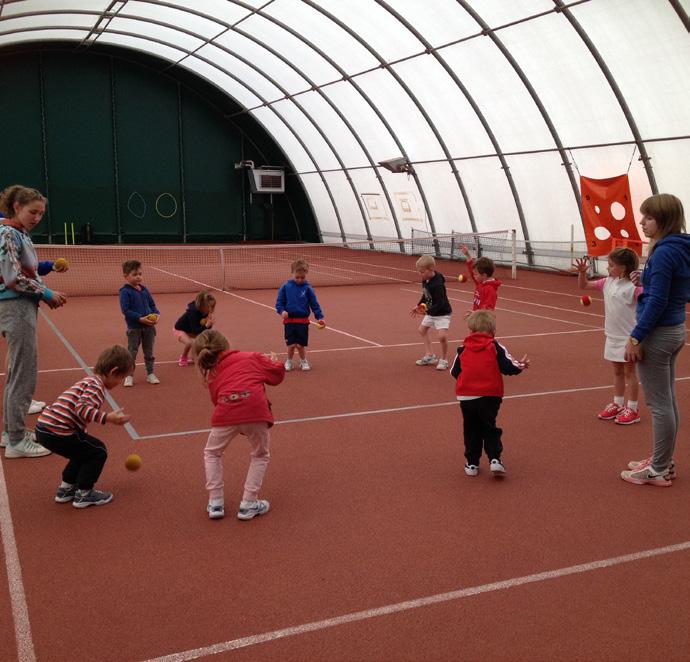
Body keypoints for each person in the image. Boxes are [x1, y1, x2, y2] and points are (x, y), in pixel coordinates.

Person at [620, 193, 689, 487]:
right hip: (675, 329)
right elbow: (675, 290)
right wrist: (646, 280)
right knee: (668, 401)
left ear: (663, 219)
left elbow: (658, 300)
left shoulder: (662, 252)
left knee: (660, 404)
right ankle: (663, 460)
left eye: (648, 217)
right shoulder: (682, 247)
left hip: (657, 333)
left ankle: (659, 468)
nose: (642, 222)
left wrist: (636, 337)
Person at [0, 185, 67, 458]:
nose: (37, 217)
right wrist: (47, 293)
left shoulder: (19, 234)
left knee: (18, 369)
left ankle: (10, 432)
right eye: (33, 211)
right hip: (15, 306)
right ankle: (16, 441)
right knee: (24, 372)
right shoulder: (7, 233)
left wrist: (46, 269)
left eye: (41, 213)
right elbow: (13, 278)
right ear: (16, 206)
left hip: (23, 305)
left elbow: (25, 267)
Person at [193, 329, 285, 520]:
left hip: (226, 412)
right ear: (226, 344)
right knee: (260, 454)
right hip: (256, 411)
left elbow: (216, 398)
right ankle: (249, 503)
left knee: (212, 453)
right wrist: (275, 361)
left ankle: (215, 502)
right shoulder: (251, 357)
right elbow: (277, 376)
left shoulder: (211, 373)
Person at [35, 346, 133, 508]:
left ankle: (66, 489)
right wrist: (108, 418)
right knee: (98, 451)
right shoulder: (97, 388)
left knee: (82, 451)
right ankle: (85, 493)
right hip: (59, 431)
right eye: (121, 378)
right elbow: (81, 409)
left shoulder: (88, 380)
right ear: (113, 371)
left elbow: (75, 412)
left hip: (44, 428)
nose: (120, 382)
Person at [450, 310, 529, 477]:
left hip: (467, 396)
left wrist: (468, 381)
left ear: (470, 330)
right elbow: (509, 366)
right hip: (490, 394)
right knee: (488, 425)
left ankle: (472, 463)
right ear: (493, 332)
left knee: (471, 428)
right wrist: (521, 366)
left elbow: (454, 372)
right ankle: (495, 459)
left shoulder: (462, 349)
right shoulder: (495, 346)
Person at [573, 248, 642, 425]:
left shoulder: (635, 287)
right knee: (617, 371)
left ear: (624, 268)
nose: (607, 268)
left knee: (630, 373)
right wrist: (582, 273)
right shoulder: (607, 282)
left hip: (629, 338)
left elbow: (649, 303)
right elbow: (584, 286)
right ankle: (617, 403)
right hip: (612, 335)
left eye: (611, 265)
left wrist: (639, 337)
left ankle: (633, 408)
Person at [275, 259, 325, 372]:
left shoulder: (308, 288)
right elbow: (279, 303)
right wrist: (282, 311)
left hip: (302, 321)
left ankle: (303, 361)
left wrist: (320, 317)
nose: (300, 280)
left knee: (300, 345)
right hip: (289, 321)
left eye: (302, 277)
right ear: (292, 273)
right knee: (291, 345)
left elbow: (314, 304)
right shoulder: (285, 287)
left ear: (306, 275)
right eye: (297, 277)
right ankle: (289, 361)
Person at [119, 259, 160, 386]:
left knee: (149, 352)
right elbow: (125, 310)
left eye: (140, 274)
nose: (138, 277)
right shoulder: (125, 292)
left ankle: (150, 374)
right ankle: (129, 375)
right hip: (134, 328)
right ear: (126, 276)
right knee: (132, 352)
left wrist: (157, 315)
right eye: (134, 275)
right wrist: (139, 318)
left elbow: (152, 305)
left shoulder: (144, 290)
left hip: (149, 328)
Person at [410, 255, 452, 370]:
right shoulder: (425, 280)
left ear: (430, 270)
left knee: (442, 336)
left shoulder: (438, 285)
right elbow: (426, 295)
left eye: (422, 272)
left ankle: (444, 360)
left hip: (442, 313)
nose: (420, 274)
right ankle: (430, 356)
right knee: (422, 330)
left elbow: (441, 303)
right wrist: (418, 306)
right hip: (431, 312)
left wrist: (427, 312)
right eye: (419, 272)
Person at [174, 290, 217, 367]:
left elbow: (204, 330)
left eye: (212, 306)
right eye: (209, 307)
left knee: (205, 339)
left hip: (191, 330)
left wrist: (210, 324)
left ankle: (195, 357)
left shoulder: (205, 312)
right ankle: (183, 357)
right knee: (189, 343)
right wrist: (207, 326)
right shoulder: (192, 313)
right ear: (202, 305)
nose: (211, 309)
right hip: (180, 329)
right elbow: (196, 330)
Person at [459, 244, 501, 314]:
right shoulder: (481, 283)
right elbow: (472, 272)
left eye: (476, 274)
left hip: (483, 323)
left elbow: (488, 310)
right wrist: (467, 255)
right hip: (476, 319)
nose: (474, 275)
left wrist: (475, 314)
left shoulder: (490, 290)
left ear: (484, 275)